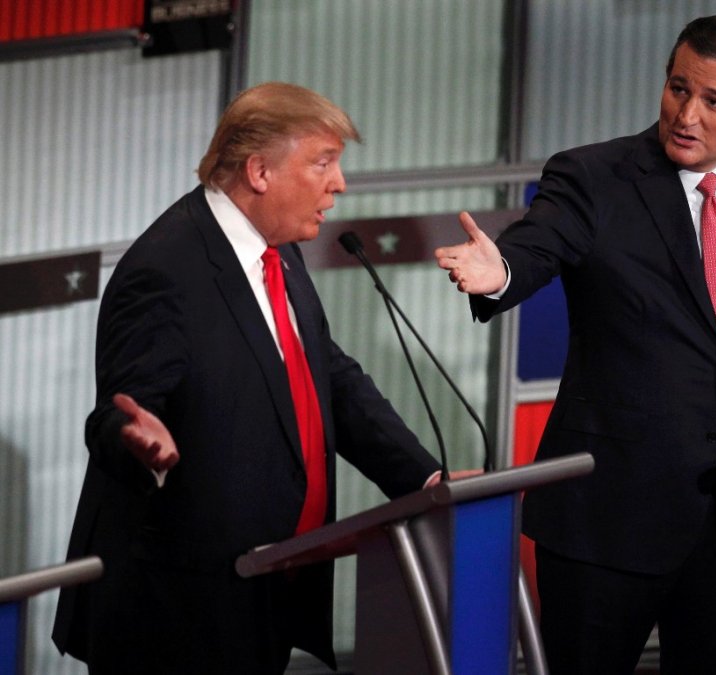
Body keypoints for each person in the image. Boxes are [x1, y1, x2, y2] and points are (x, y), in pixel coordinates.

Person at [435, 15, 716, 674]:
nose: (686, 114)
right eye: (678, 88)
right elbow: (540, 243)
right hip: (607, 521)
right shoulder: (595, 176)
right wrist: (502, 272)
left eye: (713, 100)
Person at [52, 82, 446, 674]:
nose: (338, 184)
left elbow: (326, 376)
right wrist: (142, 445)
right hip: (177, 613)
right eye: (323, 163)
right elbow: (117, 416)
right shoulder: (165, 269)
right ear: (259, 171)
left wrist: (424, 479)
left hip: (264, 582)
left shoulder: (276, 249)